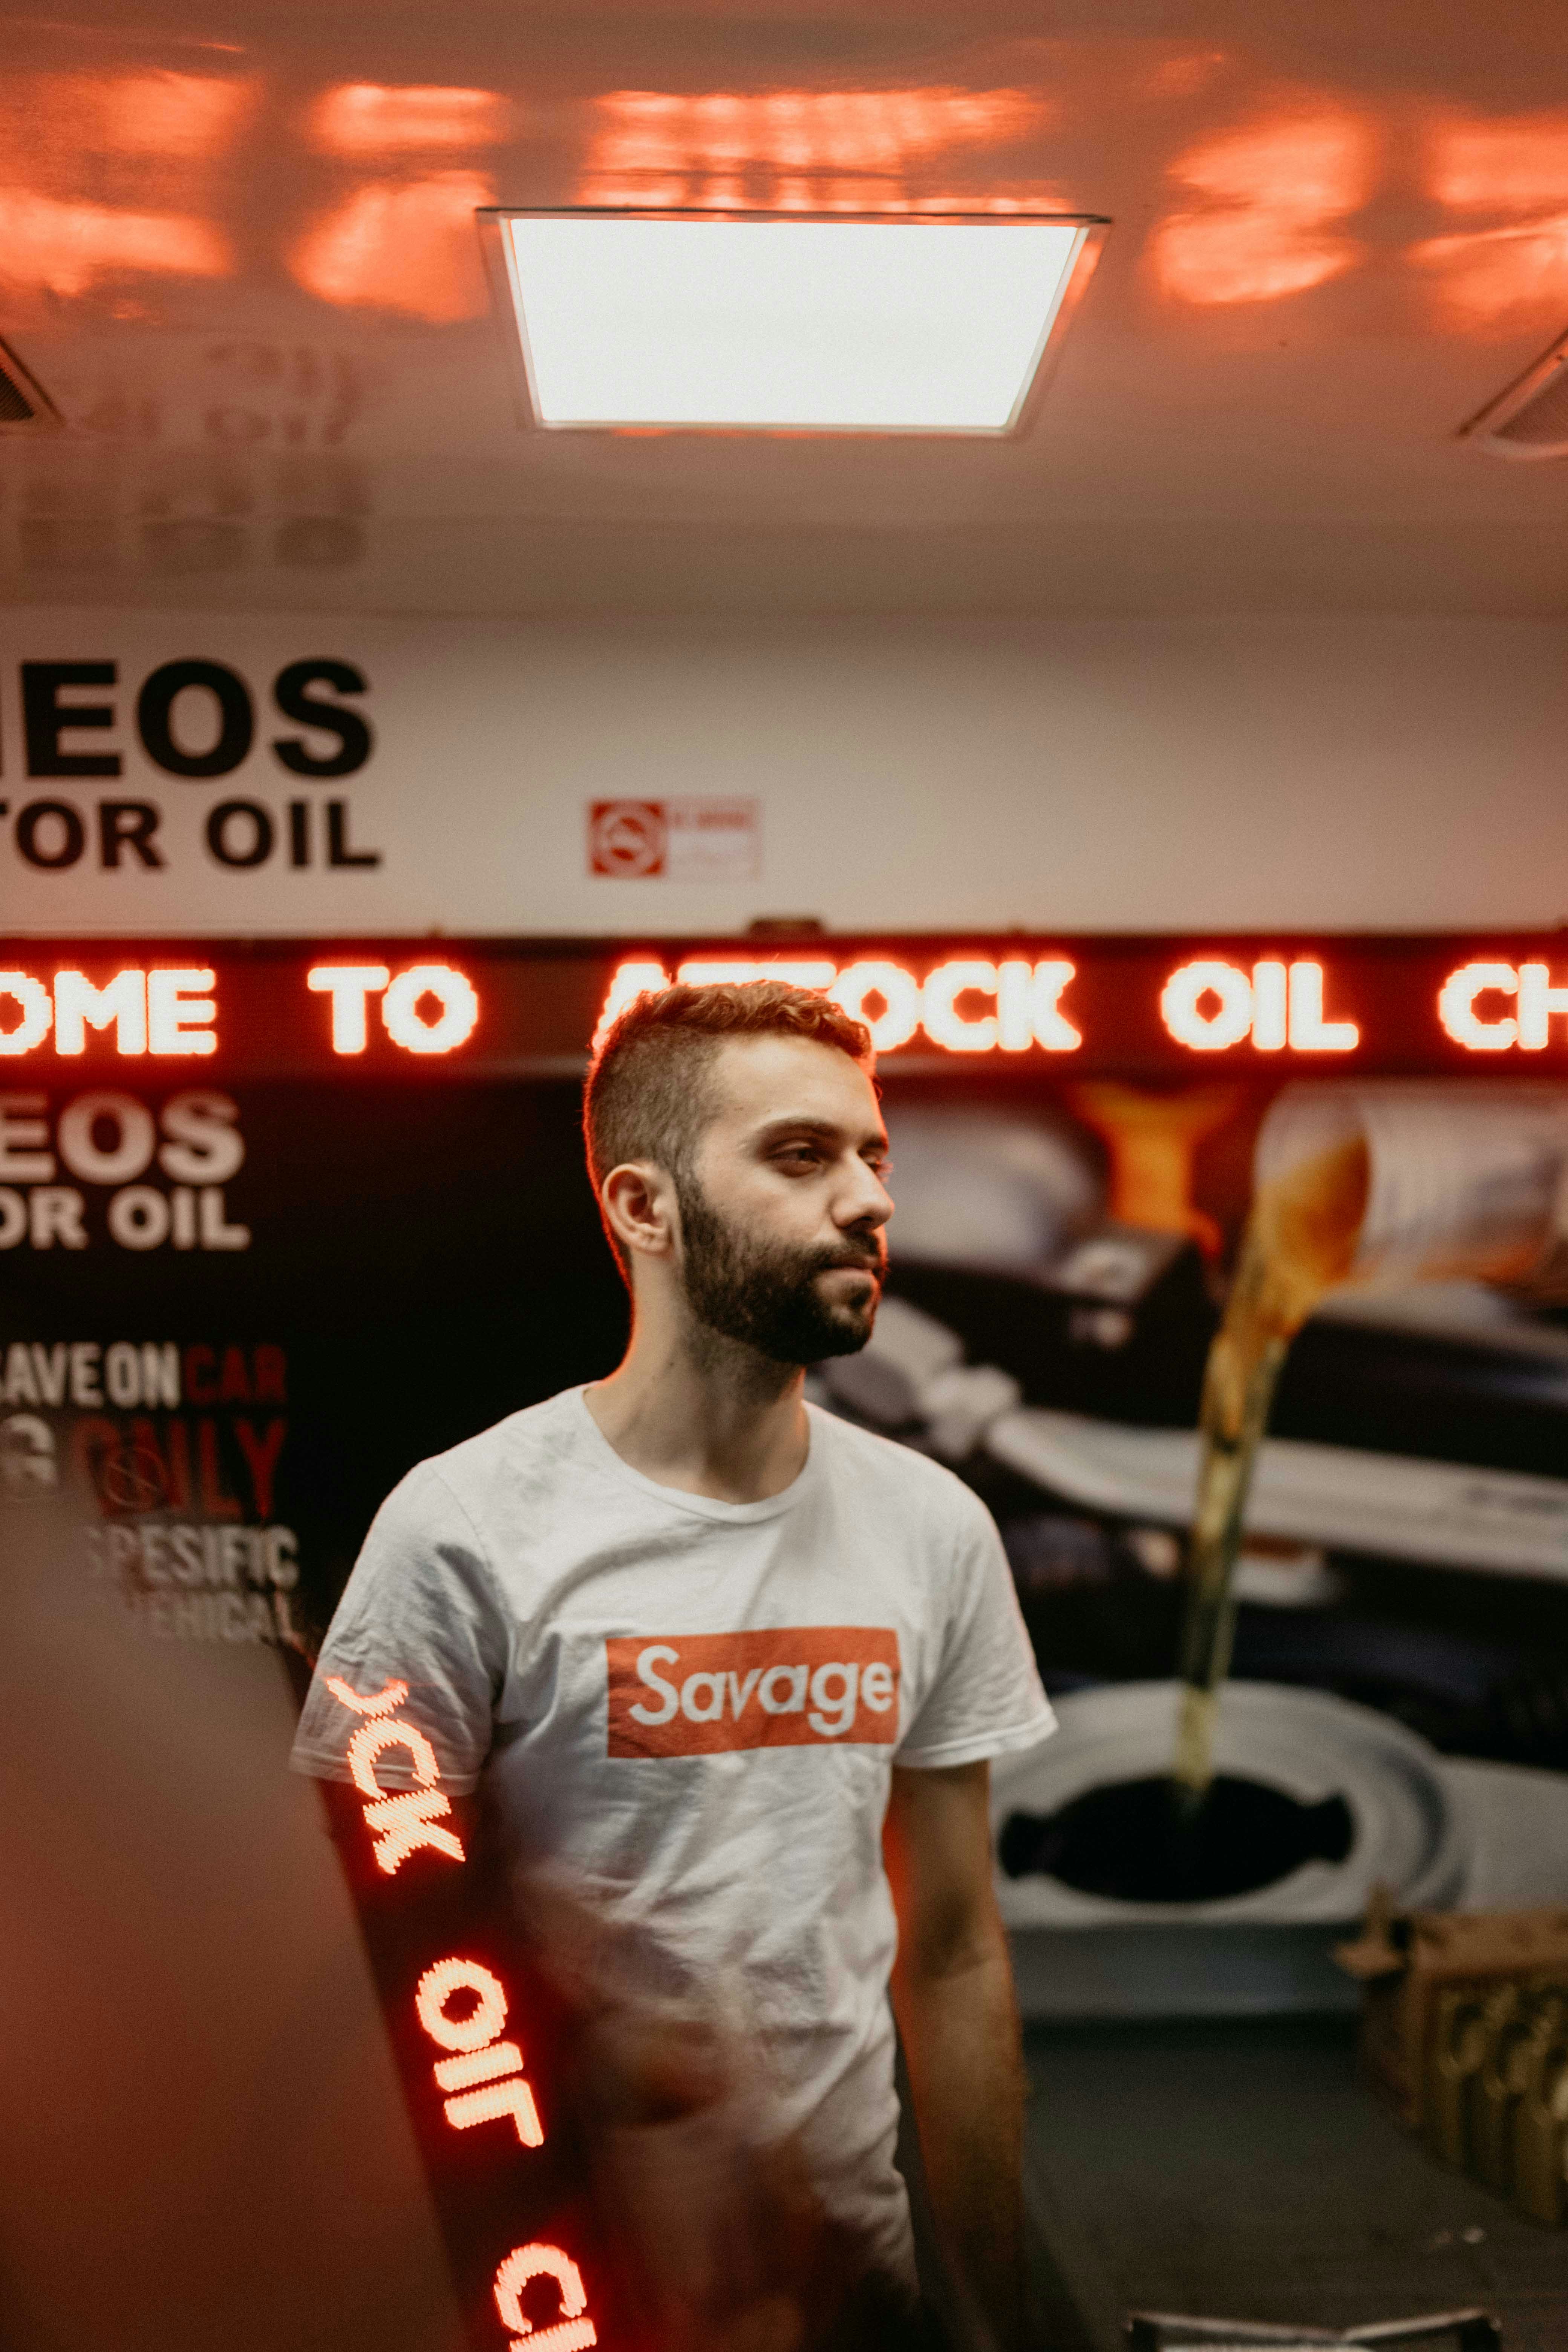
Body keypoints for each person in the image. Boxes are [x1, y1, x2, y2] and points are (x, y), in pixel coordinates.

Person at [291, 978, 1054, 2347]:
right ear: (643, 1209)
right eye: (803, 1157)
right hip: (565, 2292)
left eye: (876, 1157)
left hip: (848, 2285)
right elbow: (374, 1963)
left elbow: (950, 1954)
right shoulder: (464, 1527)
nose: (872, 1201)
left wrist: (991, 2305)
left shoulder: (934, 1526)